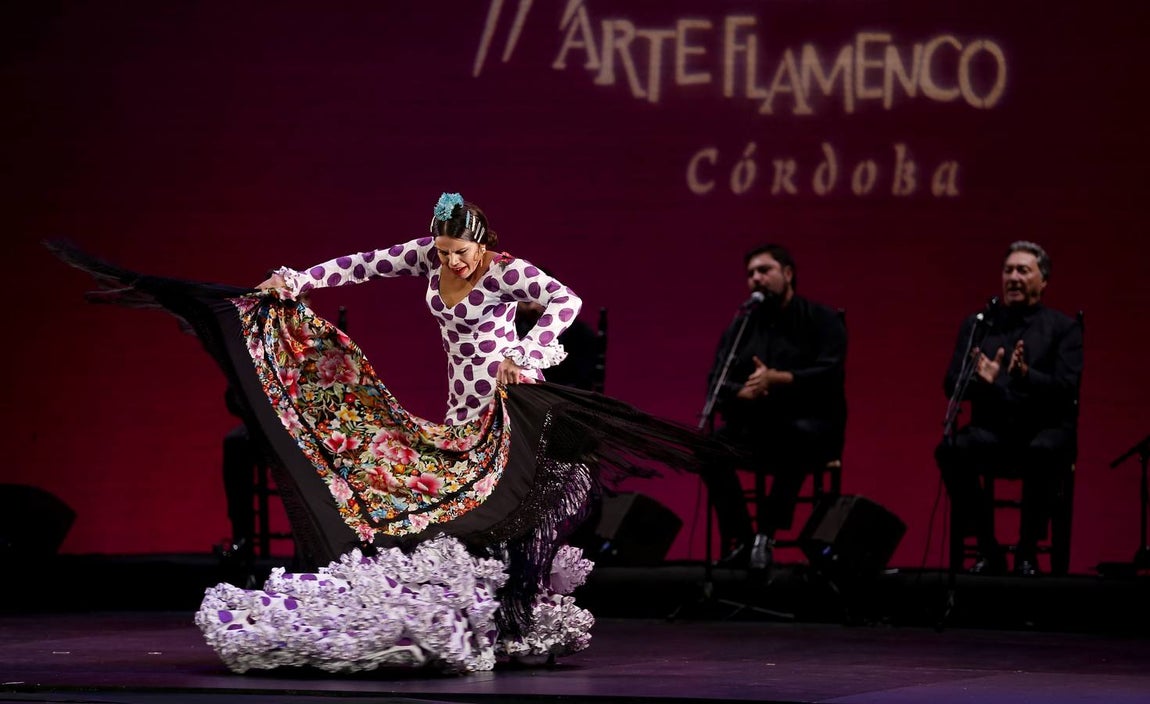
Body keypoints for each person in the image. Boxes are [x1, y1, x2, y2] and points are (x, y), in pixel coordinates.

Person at [47, 192, 719, 674]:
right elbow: (363, 264)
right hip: (462, 394)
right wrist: (298, 280)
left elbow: (565, 302)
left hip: (509, 389)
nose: (452, 263)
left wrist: (528, 352)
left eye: (461, 253)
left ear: (483, 244)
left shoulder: (506, 269)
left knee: (512, 494)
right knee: (459, 483)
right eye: (445, 252)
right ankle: (483, 599)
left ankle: (516, 601)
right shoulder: (427, 256)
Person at [935, 241, 1083, 577]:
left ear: (1043, 281)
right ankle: (988, 548)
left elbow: (1066, 390)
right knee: (950, 449)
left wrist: (1024, 376)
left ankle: (1027, 551)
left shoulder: (1063, 329)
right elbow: (951, 384)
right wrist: (982, 381)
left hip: (1041, 430)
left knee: (1043, 451)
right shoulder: (979, 325)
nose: (1013, 277)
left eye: (1023, 270)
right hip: (995, 431)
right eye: (1008, 270)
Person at [701, 244, 847, 570]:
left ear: (788, 274)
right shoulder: (742, 326)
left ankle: (766, 534)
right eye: (751, 273)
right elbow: (717, 381)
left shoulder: (821, 319)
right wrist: (744, 393)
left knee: (794, 440)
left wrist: (777, 379)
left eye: (764, 270)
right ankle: (744, 539)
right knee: (707, 450)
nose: (756, 278)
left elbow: (830, 374)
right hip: (757, 428)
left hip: (810, 427)